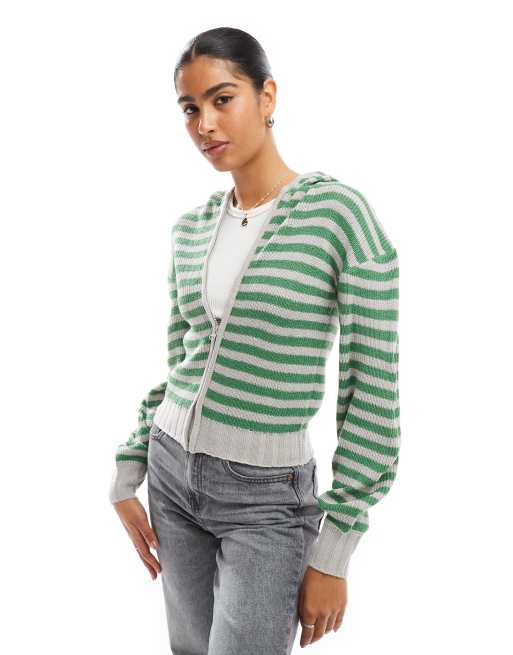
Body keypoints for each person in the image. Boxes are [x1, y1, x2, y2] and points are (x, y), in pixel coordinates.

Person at [109, 26, 401, 654]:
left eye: (223, 99)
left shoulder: (339, 218)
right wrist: (128, 467)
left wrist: (335, 549)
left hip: (267, 502)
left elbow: (373, 388)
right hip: (170, 475)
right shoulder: (191, 230)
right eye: (190, 109)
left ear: (267, 96)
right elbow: (182, 364)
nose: (205, 124)